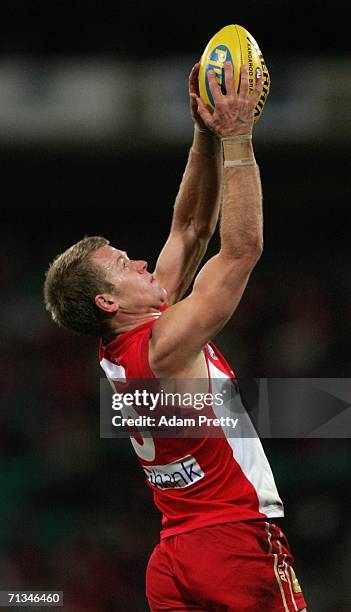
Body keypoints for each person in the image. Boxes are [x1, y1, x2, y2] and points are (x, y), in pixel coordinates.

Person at [44, 61, 307, 611]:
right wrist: (237, 137)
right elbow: (240, 250)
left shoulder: (120, 348)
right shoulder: (165, 346)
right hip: (234, 544)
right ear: (107, 301)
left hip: (174, 557)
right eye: (124, 264)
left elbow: (189, 228)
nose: (141, 262)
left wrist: (202, 135)